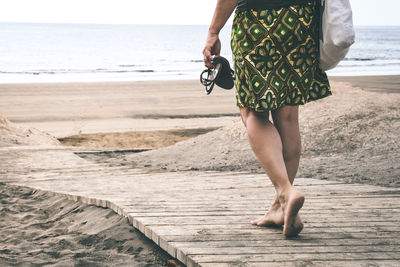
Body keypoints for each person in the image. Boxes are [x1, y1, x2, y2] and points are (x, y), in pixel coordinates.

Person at [203, 0, 331, 237]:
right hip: (300, 20)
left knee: (252, 111)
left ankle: (285, 192)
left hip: (257, 20)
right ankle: (279, 209)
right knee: (289, 116)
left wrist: (213, 32)